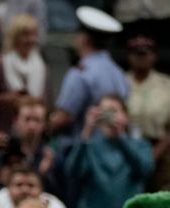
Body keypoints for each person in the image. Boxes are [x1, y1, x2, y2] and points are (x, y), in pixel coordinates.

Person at [50, 7, 128, 137]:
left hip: (86, 150)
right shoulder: (119, 73)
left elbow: (63, 118)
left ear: (84, 39)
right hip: (115, 149)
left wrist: (48, 124)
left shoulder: (81, 72)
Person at [125, 36, 170, 191]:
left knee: (159, 196)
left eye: (145, 54)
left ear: (154, 56)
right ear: (129, 56)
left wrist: (155, 153)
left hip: (159, 148)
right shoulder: (120, 82)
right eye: (137, 54)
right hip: (126, 148)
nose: (141, 58)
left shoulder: (168, 85)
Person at [0, 14, 49, 136]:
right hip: (3, 131)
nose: (30, 39)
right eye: (25, 35)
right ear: (15, 37)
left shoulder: (41, 66)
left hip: (32, 135)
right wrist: (6, 99)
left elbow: (46, 101)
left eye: (33, 35)